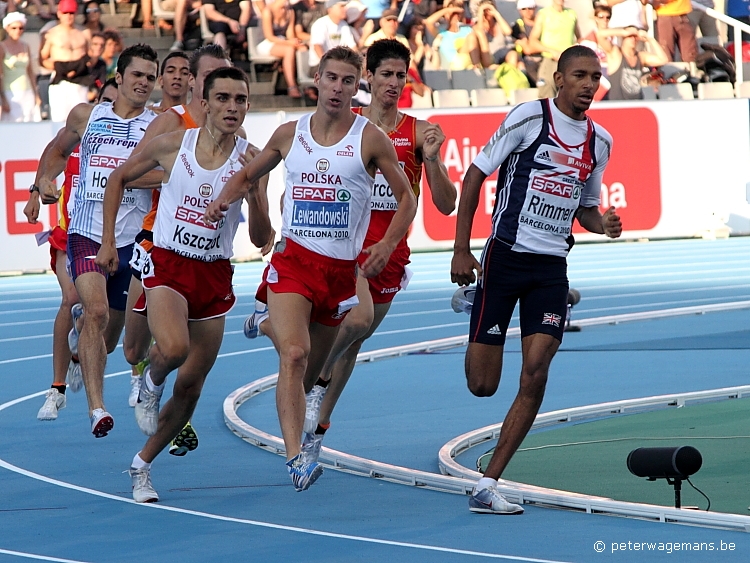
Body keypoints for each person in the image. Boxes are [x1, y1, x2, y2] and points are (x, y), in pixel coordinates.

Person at [204, 46, 418, 492]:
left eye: (347, 81)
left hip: (339, 273)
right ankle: (295, 457)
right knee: (295, 355)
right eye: (331, 79)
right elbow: (248, 175)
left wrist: (387, 242)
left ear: (356, 86)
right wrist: (222, 199)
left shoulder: (369, 138)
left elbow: (407, 198)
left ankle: (266, 324)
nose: (338, 88)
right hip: (295, 261)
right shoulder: (289, 133)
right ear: (316, 80)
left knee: (306, 373)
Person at [449, 45, 622, 514]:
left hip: (550, 270)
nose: (589, 84)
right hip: (504, 259)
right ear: (559, 79)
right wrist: (462, 249)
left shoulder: (598, 142)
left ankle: (487, 484)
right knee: (482, 385)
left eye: (596, 77)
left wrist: (599, 222)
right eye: (580, 75)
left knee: (536, 371)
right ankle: (477, 303)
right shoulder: (529, 118)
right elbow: (473, 176)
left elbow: (586, 206)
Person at [96, 66, 270, 503]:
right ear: (205, 102)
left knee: (191, 386)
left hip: (214, 274)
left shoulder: (253, 159)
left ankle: (141, 466)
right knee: (170, 349)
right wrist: (106, 241)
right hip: (169, 263)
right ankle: (150, 384)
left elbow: (263, 239)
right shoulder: (175, 143)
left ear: (248, 106)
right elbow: (118, 177)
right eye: (224, 98)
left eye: (240, 100)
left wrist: (255, 195)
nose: (232, 107)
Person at [298, 39, 455, 463]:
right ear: (368, 76)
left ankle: (318, 427)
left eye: (400, 75)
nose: (393, 82)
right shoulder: (350, 126)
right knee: (354, 321)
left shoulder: (419, 132)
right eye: (385, 73)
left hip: (391, 253)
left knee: (355, 341)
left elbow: (446, 205)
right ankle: (312, 380)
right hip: (347, 247)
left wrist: (435, 161)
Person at [35, 44, 159, 438]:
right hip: (86, 233)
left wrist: (126, 179)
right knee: (98, 312)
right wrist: (41, 184)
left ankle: (81, 344)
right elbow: (56, 151)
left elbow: (174, 173)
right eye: (137, 75)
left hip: (131, 241)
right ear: (118, 78)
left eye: (150, 77)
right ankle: (97, 408)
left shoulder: (159, 127)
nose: (144, 83)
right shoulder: (86, 116)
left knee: (109, 339)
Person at [123, 44, 230, 457]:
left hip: (205, 258)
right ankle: (143, 376)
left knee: (184, 355)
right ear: (194, 82)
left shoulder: (233, 134)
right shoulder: (173, 124)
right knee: (134, 347)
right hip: (155, 240)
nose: (219, 86)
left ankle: (164, 404)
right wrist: (173, 178)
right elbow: (131, 173)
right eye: (208, 77)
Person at [28, 79, 120, 422]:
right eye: (107, 102)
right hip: (71, 234)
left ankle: (84, 354)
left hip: (112, 236)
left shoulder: (129, 141)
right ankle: (56, 388)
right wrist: (36, 191)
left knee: (104, 320)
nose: (112, 110)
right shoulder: (82, 136)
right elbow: (53, 154)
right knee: (70, 299)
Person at [40, 0, 91, 122]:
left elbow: (90, 57)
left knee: (82, 119)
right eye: (65, 12)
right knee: (59, 118)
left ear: (76, 13)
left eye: (71, 13)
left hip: (80, 78)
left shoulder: (84, 33)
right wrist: (60, 68)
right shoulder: (51, 34)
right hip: (60, 79)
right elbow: (42, 59)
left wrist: (79, 67)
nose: (68, 16)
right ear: (59, 13)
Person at [528, 0, 579, 98]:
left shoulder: (572, 14)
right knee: (547, 93)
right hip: (550, 60)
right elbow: (533, 40)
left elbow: (578, 37)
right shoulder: (544, 14)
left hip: (568, 61)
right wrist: (552, 52)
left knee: (571, 94)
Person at [257, 0, 306, 98]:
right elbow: (269, 36)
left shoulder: (290, 11)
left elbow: (290, 34)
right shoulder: (268, 11)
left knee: (302, 49)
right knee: (289, 50)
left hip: (283, 41)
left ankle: (307, 85)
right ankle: (292, 87)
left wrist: (295, 42)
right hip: (267, 43)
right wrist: (289, 43)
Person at [605, 27, 668, 100]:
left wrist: (650, 39)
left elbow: (663, 60)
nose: (633, 39)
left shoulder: (641, 56)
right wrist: (622, 32)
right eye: (629, 36)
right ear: (623, 38)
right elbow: (600, 35)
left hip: (637, 102)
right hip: (618, 104)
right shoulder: (616, 54)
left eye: (635, 36)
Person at [0, 11, 40, 122]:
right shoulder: (2, 47)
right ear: (7, 28)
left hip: (27, 91)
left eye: (20, 28)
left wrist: (36, 94)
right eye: (14, 28)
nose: (17, 31)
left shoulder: (25, 46)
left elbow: (30, 72)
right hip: (10, 92)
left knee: (28, 121)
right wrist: (3, 99)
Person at [425, 1, 482, 70]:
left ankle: (477, 68)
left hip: (468, 65)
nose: (454, 16)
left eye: (457, 13)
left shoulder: (467, 30)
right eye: (452, 13)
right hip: (451, 68)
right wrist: (448, 10)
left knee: (473, 36)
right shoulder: (441, 33)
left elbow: (481, 30)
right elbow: (428, 22)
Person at [308, 0, 357, 77]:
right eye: (341, 6)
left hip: (339, 64)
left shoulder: (344, 25)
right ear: (330, 9)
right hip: (319, 66)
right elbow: (317, 47)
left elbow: (353, 48)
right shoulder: (320, 24)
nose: (345, 9)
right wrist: (330, 64)